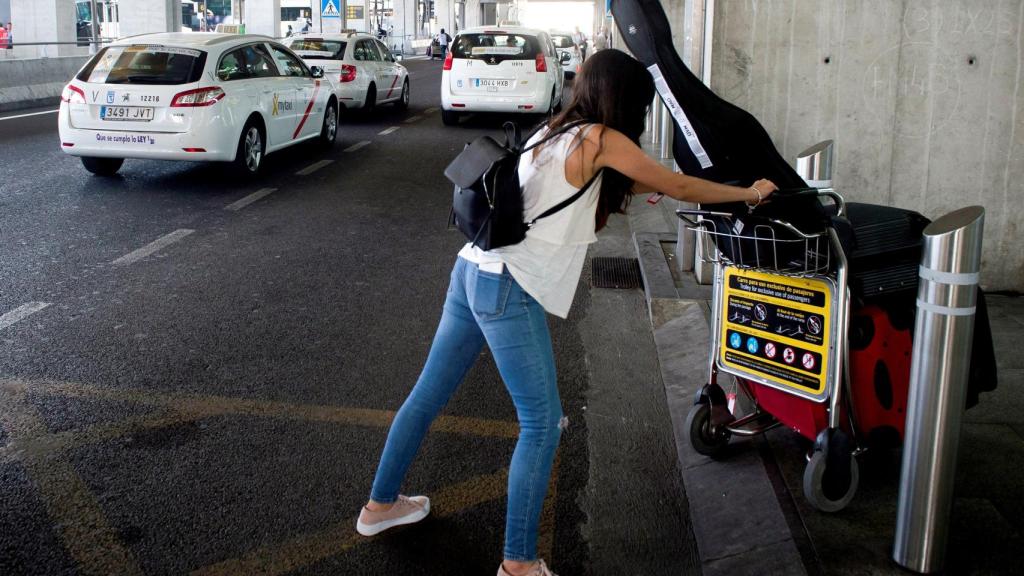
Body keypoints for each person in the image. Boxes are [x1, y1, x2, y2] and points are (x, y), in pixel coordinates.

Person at [355, 49, 776, 576]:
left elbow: (637, 181)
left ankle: (380, 506)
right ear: (627, 98)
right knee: (542, 424)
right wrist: (749, 193)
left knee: (426, 397)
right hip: (510, 286)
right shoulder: (602, 138)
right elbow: (677, 187)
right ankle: (519, 564)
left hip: (471, 271)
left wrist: (671, 181)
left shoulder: (555, 130)